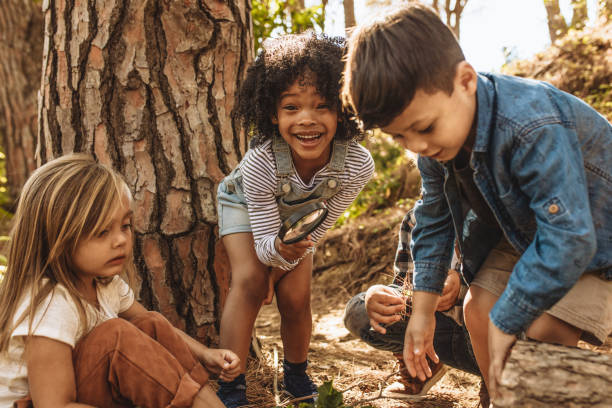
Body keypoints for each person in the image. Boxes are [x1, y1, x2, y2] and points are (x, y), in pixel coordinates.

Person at [341, 3, 612, 404]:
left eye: (424, 128)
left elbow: (570, 237)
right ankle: (503, 397)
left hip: (594, 240)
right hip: (531, 234)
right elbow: (433, 219)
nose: (418, 147)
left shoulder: (529, 125)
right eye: (400, 138)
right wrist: (422, 311)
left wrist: (511, 315)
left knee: (541, 326)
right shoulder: (435, 146)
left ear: (465, 80)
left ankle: (544, 396)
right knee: (477, 310)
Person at [0, 154, 241, 408]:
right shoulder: (51, 305)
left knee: (151, 323)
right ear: (56, 237)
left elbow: (157, 331)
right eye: (102, 231)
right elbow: (53, 405)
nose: (120, 241)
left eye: (125, 226)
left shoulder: (105, 284)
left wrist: (205, 354)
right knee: (115, 337)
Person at [216, 32, 374, 407]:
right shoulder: (260, 163)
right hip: (245, 209)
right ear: (273, 113)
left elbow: (320, 224)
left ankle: (297, 376)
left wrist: (286, 262)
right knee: (251, 281)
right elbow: (267, 241)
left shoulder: (356, 165)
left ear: (342, 109)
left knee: (298, 298)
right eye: (291, 108)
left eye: (322, 106)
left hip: (300, 225)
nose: (307, 120)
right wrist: (271, 265)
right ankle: (231, 385)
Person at [343, 209, 486, 402]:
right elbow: (404, 283)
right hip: (436, 329)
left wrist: (461, 287)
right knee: (358, 311)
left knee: (482, 306)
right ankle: (421, 362)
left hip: (486, 338)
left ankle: (494, 381)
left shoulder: (491, 217)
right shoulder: (416, 220)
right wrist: (383, 296)